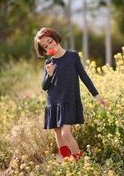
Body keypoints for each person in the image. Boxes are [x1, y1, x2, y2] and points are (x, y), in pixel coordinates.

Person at [33, 27, 108, 161]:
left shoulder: (72, 56)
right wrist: (49, 75)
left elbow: (84, 76)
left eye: (50, 41)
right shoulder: (48, 63)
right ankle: (67, 163)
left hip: (68, 101)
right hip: (53, 101)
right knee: (58, 134)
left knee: (66, 133)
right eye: (45, 46)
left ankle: (78, 162)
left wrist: (97, 96)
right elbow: (44, 87)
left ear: (55, 39)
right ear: (44, 50)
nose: (49, 46)